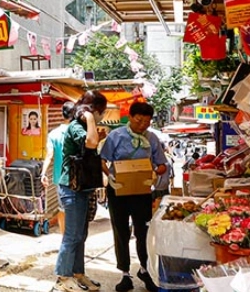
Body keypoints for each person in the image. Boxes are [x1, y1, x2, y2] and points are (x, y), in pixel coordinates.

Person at [100, 102, 169, 292]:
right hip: (118, 191)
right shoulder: (116, 136)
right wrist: (111, 176)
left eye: (147, 122)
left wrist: (155, 172)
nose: (142, 125)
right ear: (129, 117)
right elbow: (103, 160)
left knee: (143, 232)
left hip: (142, 192)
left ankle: (145, 270)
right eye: (139, 120)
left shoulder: (152, 138)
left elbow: (162, 164)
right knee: (120, 231)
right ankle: (124, 274)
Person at [54, 91, 108, 292]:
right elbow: (91, 143)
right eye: (100, 111)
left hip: (83, 187)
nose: (101, 115)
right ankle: (63, 277)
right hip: (72, 187)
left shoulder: (84, 126)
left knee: (81, 235)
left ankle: (78, 274)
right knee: (72, 235)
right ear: (91, 110)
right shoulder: (76, 126)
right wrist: (89, 119)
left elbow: (92, 148)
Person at [41, 101, 76, 232]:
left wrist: (43, 174)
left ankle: (64, 237)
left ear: (62, 115)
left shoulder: (53, 134)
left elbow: (49, 155)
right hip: (78, 178)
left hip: (60, 178)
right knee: (77, 209)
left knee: (62, 209)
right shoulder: (79, 132)